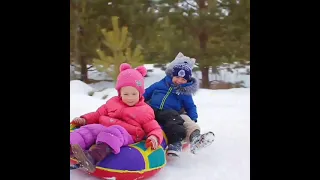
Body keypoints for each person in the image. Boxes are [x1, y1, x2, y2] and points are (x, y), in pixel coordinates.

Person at [70, 63, 163, 172]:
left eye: (134, 94)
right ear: (120, 93)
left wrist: (154, 137)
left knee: (114, 130)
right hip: (104, 128)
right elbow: (98, 114)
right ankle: (72, 145)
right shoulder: (112, 103)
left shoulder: (145, 110)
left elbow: (154, 128)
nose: (130, 98)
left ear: (140, 93)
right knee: (91, 129)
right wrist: (84, 119)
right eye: (126, 94)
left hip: (127, 134)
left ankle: (93, 157)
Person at [144, 52, 214, 156]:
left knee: (184, 121)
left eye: (183, 79)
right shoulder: (159, 85)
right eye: (177, 77)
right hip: (152, 110)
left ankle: (195, 139)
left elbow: (190, 106)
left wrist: (193, 117)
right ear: (172, 75)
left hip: (173, 115)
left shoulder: (184, 92)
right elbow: (145, 93)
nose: (179, 81)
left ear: (187, 81)